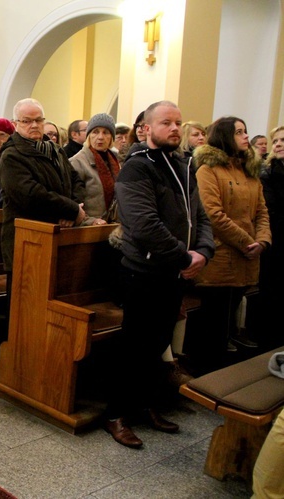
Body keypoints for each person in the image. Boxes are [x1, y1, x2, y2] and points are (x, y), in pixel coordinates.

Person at [105, 100, 214, 449]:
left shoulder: (183, 166)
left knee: (158, 344)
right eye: (166, 122)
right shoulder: (137, 167)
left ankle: (145, 405)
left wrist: (204, 251)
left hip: (174, 273)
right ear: (146, 129)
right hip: (143, 271)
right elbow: (143, 223)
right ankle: (117, 414)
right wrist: (185, 257)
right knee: (133, 346)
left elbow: (201, 216)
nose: (175, 128)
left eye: (178, 122)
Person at [192, 117, 270, 371]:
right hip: (221, 256)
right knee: (213, 325)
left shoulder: (249, 170)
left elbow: (261, 211)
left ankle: (222, 376)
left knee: (227, 326)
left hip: (246, 257)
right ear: (225, 136)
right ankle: (207, 378)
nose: (246, 136)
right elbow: (213, 214)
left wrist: (263, 240)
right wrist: (249, 242)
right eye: (239, 132)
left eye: (245, 131)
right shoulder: (208, 170)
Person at [0, 98, 86, 277]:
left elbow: (75, 180)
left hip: (57, 232)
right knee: (22, 298)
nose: (34, 125)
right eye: (26, 121)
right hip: (26, 238)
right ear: (16, 124)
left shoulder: (55, 150)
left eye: (38, 120)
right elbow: (30, 195)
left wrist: (74, 208)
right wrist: (71, 209)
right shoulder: (12, 155)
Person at [68, 113, 119, 224]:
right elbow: (73, 201)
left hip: (111, 226)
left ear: (111, 137)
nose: (100, 137)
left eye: (105, 132)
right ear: (89, 135)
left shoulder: (115, 160)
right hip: (89, 228)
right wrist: (90, 221)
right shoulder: (77, 162)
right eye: (95, 132)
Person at [260, 126, 284, 350]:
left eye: (283, 140)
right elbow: (270, 212)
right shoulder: (268, 175)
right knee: (273, 295)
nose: (278, 144)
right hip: (276, 244)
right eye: (275, 141)